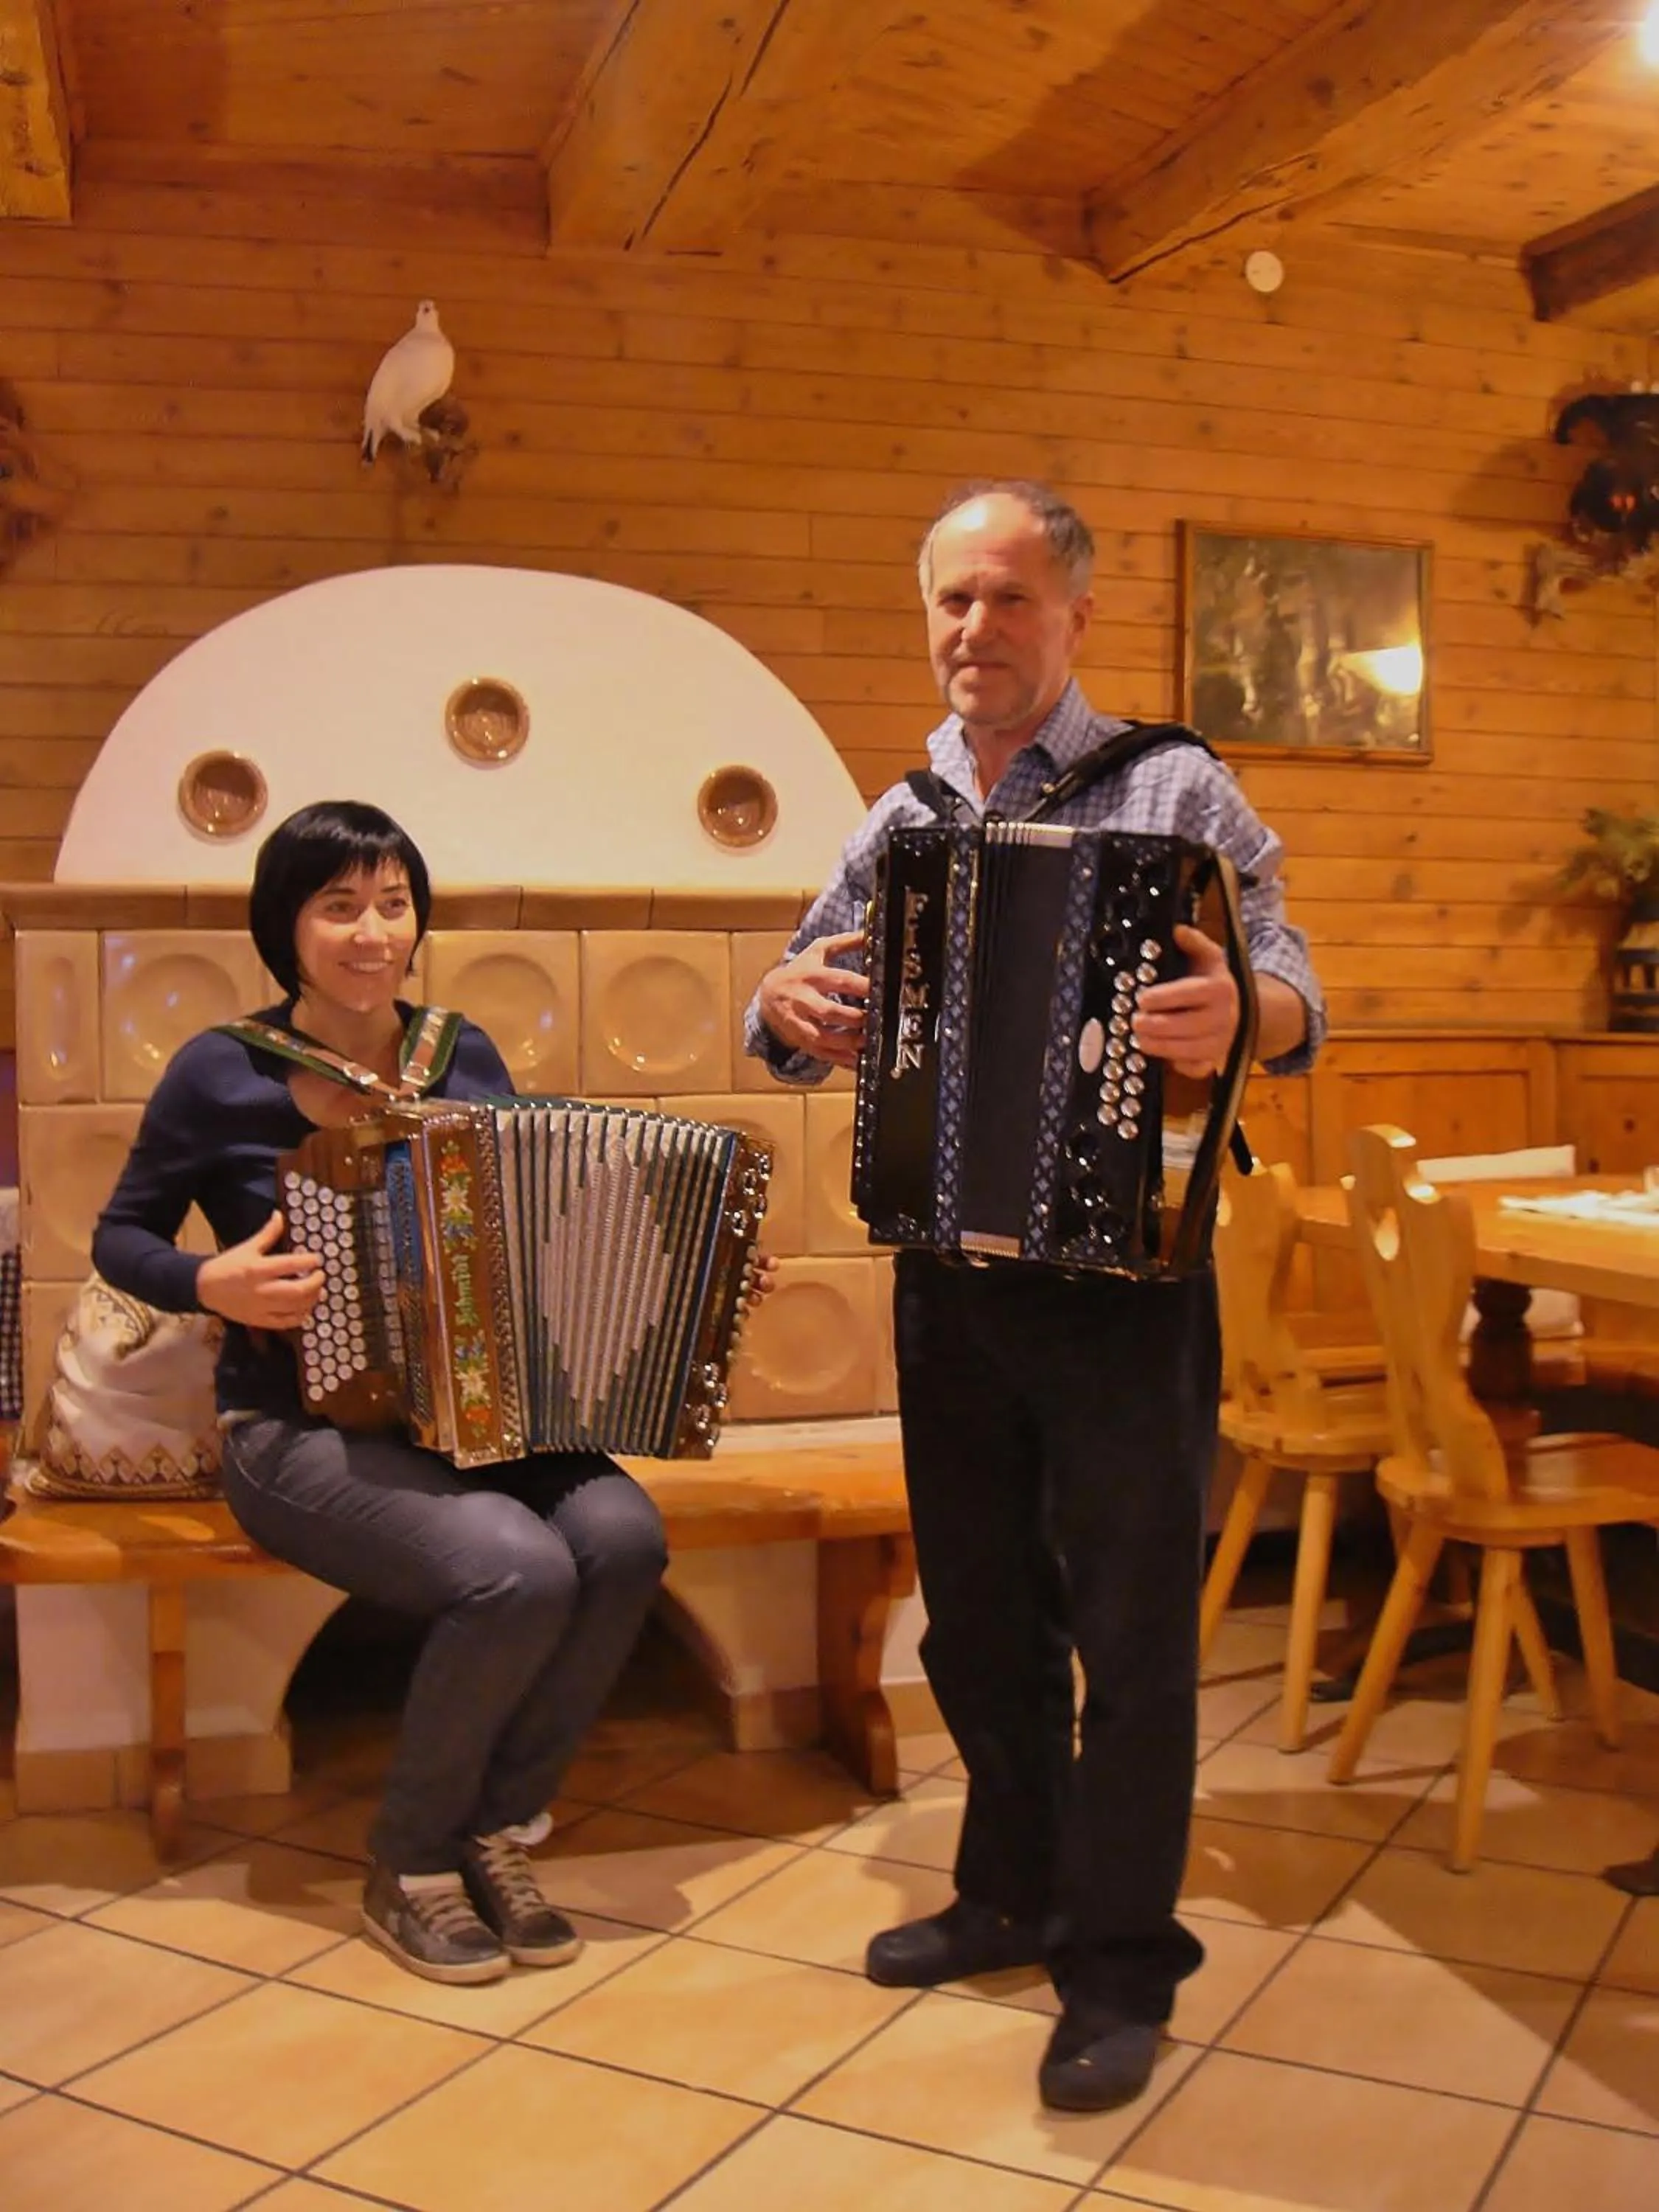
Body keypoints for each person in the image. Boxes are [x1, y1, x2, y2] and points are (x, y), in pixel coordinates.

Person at [747, 482, 1325, 2112]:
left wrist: (1249, 1022)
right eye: (949, 602)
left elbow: (1295, 974)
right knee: (985, 1612)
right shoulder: (903, 812)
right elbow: (795, 998)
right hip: (951, 1271)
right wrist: (779, 1000)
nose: (971, 633)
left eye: (1006, 601)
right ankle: (1010, 1889)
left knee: (1134, 1633)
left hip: (1127, 1283)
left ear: (1072, 617)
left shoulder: (1172, 784)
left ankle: (1123, 1958)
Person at [94, 801, 669, 1988]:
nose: (372, 932)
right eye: (339, 905)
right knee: (515, 1566)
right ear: (286, 926)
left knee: (620, 1532)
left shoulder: (460, 1055)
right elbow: (120, 1237)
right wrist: (212, 1279)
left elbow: (534, 1222)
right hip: (287, 1430)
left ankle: (494, 1830)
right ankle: (408, 1865)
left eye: (393, 903)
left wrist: (686, 1265)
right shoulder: (221, 1070)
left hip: (468, 1420)